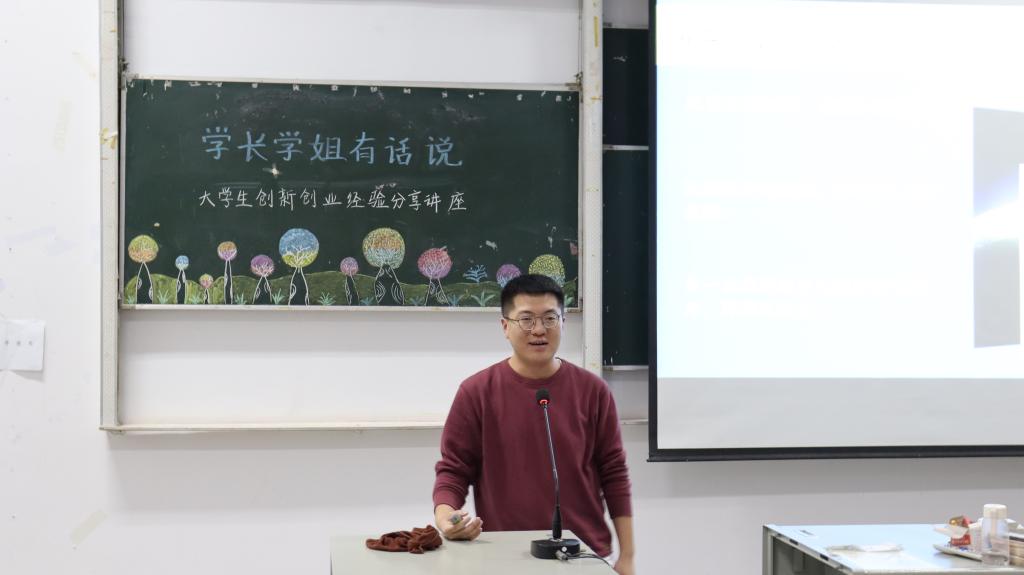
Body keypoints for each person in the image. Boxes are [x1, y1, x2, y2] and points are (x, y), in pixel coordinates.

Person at [432, 274, 636, 575]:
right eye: (526, 319)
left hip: (584, 553)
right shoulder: (476, 392)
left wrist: (627, 556)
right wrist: (446, 519)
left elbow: (614, 473)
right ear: (505, 326)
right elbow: (453, 471)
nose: (539, 330)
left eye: (550, 318)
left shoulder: (593, 391)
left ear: (563, 323)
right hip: (505, 556)